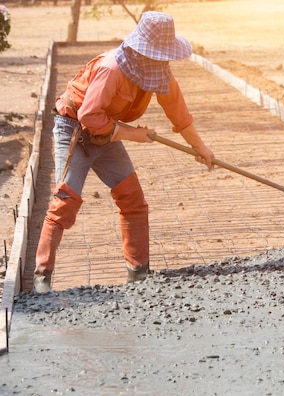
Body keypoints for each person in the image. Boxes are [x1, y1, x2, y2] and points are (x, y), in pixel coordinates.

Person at [32, 12, 215, 293]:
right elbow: (89, 117)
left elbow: (179, 114)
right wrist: (133, 134)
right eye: (159, 55)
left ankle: (138, 273)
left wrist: (200, 149)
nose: (163, 61)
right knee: (66, 199)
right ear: (143, 51)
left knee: (132, 198)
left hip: (107, 130)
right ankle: (42, 277)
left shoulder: (158, 73)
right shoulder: (113, 69)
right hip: (75, 128)